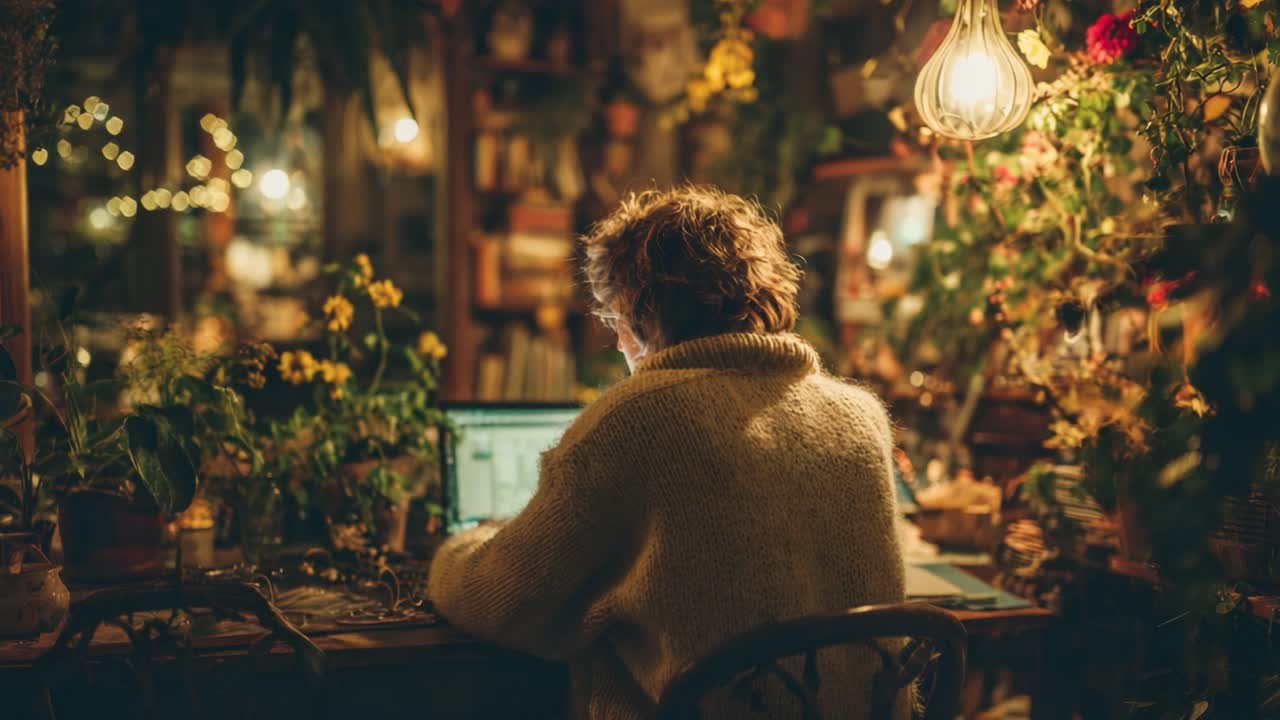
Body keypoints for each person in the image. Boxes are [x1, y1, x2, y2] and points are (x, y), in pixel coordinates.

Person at [427, 186, 906, 719]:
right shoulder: (860, 417)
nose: (617, 340)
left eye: (615, 319)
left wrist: (461, 545)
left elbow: (505, 601)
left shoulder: (635, 422)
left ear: (639, 313)